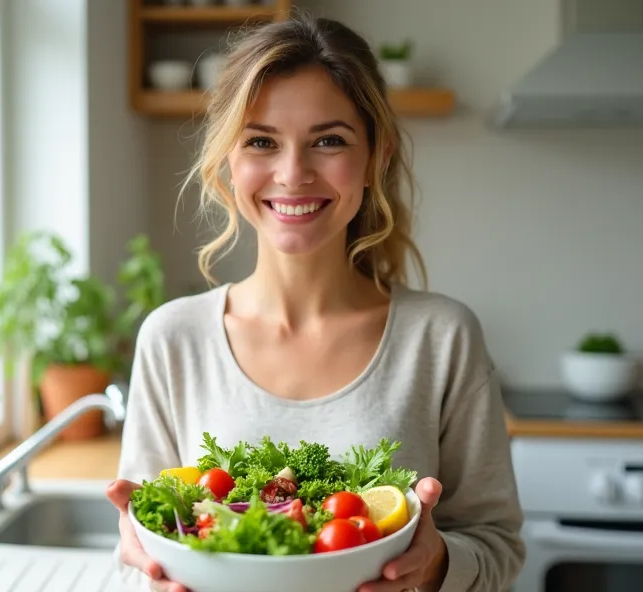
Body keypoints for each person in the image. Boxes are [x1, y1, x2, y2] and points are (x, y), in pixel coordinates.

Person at [105, 13, 525, 592]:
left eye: (329, 141)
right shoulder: (173, 338)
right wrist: (149, 571)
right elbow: (142, 544)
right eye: (261, 141)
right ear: (229, 160)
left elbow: (498, 544)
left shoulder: (442, 338)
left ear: (375, 158)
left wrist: (435, 565)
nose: (293, 173)